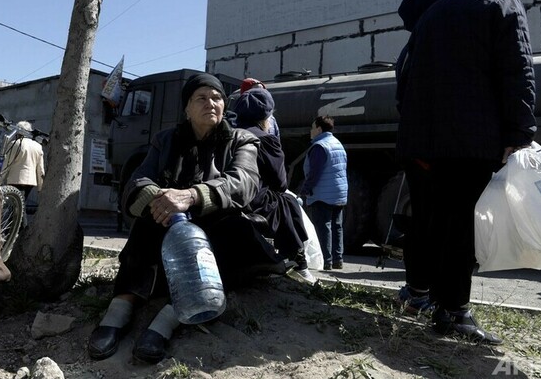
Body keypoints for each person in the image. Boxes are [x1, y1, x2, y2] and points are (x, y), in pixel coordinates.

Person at [87, 73, 286, 363]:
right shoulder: (165, 140)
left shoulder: (241, 140)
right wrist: (158, 198)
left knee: (233, 231)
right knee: (146, 224)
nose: (211, 103)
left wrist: (192, 196)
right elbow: (137, 179)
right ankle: (120, 308)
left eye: (216, 98)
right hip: (173, 224)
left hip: (219, 223)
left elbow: (244, 182)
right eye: (201, 98)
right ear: (187, 108)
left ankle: (169, 318)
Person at [395, 0, 536, 344]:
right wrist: (519, 132)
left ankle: (419, 294)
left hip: (421, 141)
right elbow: (517, 70)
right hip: (470, 140)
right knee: (462, 226)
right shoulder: (502, 5)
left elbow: (405, 80)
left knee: (428, 221)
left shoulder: (429, 16)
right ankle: (454, 311)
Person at [393, 0, 447, 315]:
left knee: (423, 222)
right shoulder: (427, 48)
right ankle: (421, 293)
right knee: (431, 224)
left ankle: (417, 290)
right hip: (427, 150)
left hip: (417, 148)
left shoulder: (411, 49)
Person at [232, 88, 315, 283]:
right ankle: (298, 261)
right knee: (288, 203)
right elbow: (280, 182)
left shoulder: (229, 134)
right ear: (266, 117)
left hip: (229, 195)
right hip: (252, 199)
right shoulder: (265, 139)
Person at [300, 115, 348, 271]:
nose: (311, 131)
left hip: (322, 193)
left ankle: (326, 261)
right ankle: (338, 259)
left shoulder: (320, 147)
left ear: (319, 129)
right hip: (338, 192)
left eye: (313, 127)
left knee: (323, 227)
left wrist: (305, 190)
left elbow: (315, 173)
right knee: (337, 226)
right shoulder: (337, 143)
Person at [1, 121, 45, 203]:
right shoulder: (38, 146)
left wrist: (0, 180)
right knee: (23, 202)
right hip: (31, 181)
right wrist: (40, 187)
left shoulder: (14, 143)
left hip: (15, 179)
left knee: (15, 204)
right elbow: (40, 169)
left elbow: (7, 163)